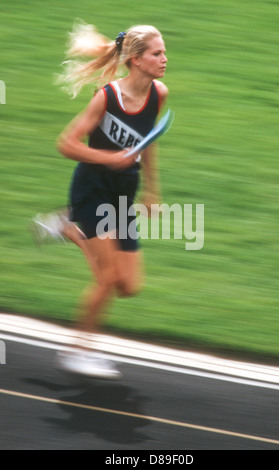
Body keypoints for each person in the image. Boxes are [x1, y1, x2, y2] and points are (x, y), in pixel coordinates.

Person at [33, 22, 169, 378]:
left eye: (164, 52)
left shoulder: (159, 93)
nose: (164, 59)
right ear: (137, 60)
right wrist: (110, 158)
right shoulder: (107, 98)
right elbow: (67, 143)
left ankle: (65, 226)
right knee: (106, 280)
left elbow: (150, 139)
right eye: (157, 53)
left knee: (129, 286)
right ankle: (78, 351)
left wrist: (151, 189)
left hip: (124, 192)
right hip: (93, 190)